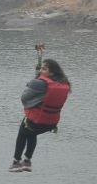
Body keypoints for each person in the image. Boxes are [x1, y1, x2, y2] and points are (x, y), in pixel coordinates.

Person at [9, 43, 71, 172]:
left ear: (51, 72)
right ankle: (27, 160)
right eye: (41, 68)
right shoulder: (64, 84)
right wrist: (38, 77)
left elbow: (24, 98)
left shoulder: (40, 83)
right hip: (51, 123)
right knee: (31, 133)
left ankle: (16, 161)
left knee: (23, 132)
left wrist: (34, 81)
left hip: (36, 120)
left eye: (44, 69)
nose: (41, 71)